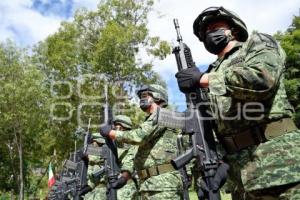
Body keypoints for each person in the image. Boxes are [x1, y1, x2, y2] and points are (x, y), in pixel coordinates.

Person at [175, 6, 300, 200]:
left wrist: (204, 79)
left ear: (233, 29)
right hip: (239, 177)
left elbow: (262, 79)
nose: (210, 33)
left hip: (281, 166)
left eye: (215, 26)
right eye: (206, 32)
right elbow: (211, 128)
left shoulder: (256, 43)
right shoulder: (212, 70)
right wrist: (212, 169)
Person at [100, 84, 183, 200]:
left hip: (163, 184)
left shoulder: (164, 114)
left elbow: (139, 137)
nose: (141, 100)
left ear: (157, 96)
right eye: (140, 97)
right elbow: (134, 153)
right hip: (148, 184)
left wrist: (111, 133)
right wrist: (124, 176)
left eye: (145, 96)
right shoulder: (150, 122)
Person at [84, 115, 138, 200]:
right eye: (115, 128)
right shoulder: (111, 145)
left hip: (126, 185)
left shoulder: (130, 144)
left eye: (121, 128)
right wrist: (87, 153)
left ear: (127, 130)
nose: (117, 130)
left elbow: (127, 161)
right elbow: (97, 158)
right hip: (110, 185)